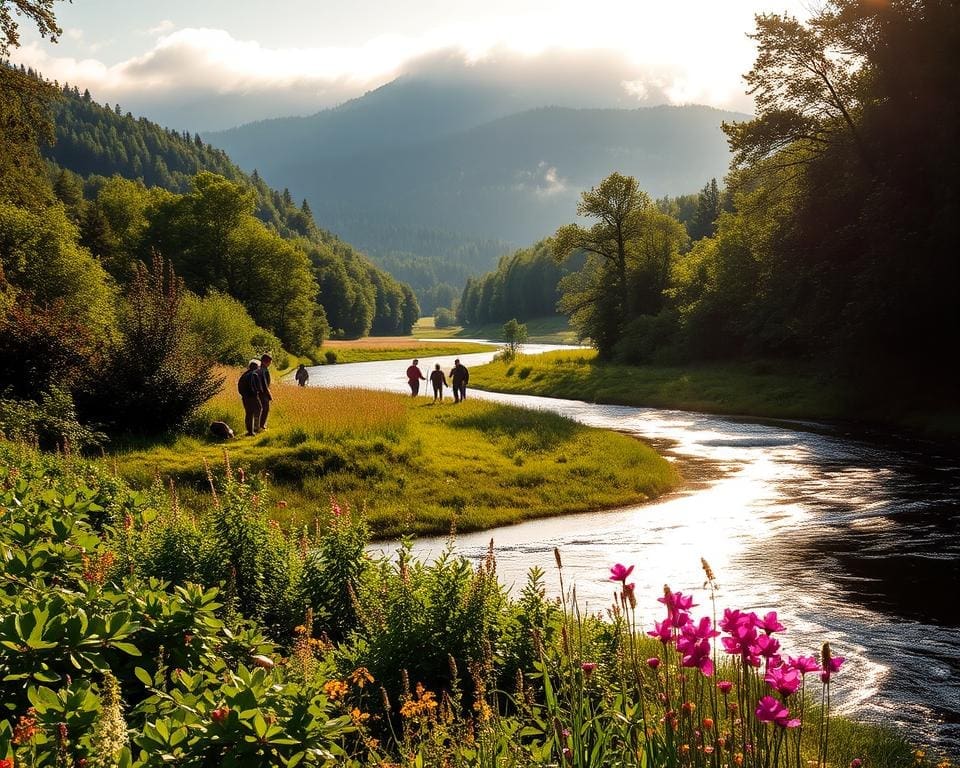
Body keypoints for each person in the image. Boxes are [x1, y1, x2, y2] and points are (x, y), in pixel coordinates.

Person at [238, 359, 263, 436]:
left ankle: (250, 431)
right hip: (252, 396)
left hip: (245, 397)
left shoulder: (244, 375)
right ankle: (256, 428)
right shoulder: (254, 374)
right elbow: (256, 387)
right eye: (258, 366)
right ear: (255, 367)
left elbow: (239, 387)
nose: (259, 368)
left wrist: (244, 395)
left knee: (249, 413)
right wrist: (256, 392)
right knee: (259, 409)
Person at [257, 353, 273, 429]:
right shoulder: (263, 370)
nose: (270, 363)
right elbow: (264, 384)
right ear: (264, 361)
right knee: (265, 409)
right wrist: (269, 394)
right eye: (269, 362)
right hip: (263, 393)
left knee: (261, 409)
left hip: (260, 392)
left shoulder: (259, 369)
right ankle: (262, 426)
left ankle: (259, 425)